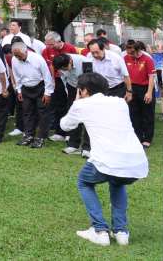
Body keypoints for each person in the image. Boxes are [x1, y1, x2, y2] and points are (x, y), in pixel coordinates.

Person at [61, 72, 148, 247]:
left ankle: (99, 230)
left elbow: (65, 125)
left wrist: (76, 103)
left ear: (83, 90)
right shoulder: (120, 102)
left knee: (84, 182)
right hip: (135, 161)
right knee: (117, 182)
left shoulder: (82, 105)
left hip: (107, 159)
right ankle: (121, 232)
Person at [10, 40, 55, 149]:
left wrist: (48, 92)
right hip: (25, 88)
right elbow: (16, 76)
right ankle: (28, 135)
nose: (17, 57)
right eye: (15, 55)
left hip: (40, 86)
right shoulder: (14, 59)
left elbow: (47, 76)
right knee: (27, 112)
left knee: (42, 112)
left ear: (25, 51)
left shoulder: (38, 59)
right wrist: (19, 90)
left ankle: (41, 138)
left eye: (18, 55)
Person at [42, 32, 78, 139]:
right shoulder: (46, 50)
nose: (49, 47)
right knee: (58, 105)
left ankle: (70, 133)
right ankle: (59, 132)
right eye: (47, 44)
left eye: (51, 44)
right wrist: (52, 80)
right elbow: (50, 66)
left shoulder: (70, 48)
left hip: (70, 81)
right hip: (56, 80)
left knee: (69, 105)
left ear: (59, 41)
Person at [123, 41, 157, 148]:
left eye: (132, 52)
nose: (130, 55)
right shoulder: (125, 58)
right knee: (134, 114)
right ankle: (137, 137)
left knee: (147, 114)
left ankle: (147, 138)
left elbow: (151, 76)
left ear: (138, 50)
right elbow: (125, 75)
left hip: (145, 88)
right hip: (132, 88)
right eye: (128, 52)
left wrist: (149, 92)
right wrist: (128, 91)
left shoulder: (147, 59)